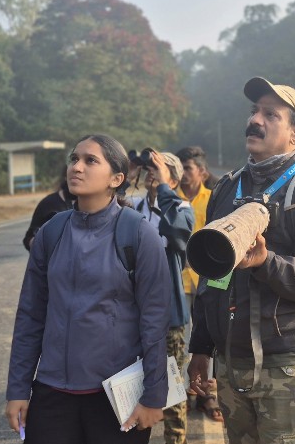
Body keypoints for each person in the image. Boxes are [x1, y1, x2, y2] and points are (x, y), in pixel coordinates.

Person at [188, 77, 295, 444]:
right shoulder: (227, 187)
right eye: (254, 112)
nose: (255, 120)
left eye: (270, 114)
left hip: (289, 366)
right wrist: (201, 346)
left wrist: (266, 262)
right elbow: (213, 276)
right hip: (231, 363)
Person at [6, 134, 171, 444]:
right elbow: (30, 315)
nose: (76, 167)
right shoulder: (51, 232)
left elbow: (155, 321)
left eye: (90, 160)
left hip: (115, 395)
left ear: (116, 179)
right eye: (74, 158)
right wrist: (18, 389)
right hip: (52, 392)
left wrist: (153, 395)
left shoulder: (137, 234)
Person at [129, 149, 195, 444]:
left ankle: (175, 440)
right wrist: (128, 172)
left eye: (159, 169)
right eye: (150, 169)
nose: (152, 173)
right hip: (132, 313)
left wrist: (166, 188)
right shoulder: (133, 207)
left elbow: (178, 232)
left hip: (168, 315)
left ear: (173, 178)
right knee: (131, 384)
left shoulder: (182, 208)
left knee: (171, 384)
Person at [174, 145, 222, 423]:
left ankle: (206, 395)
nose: (183, 174)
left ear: (202, 172)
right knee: (179, 338)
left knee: (207, 336)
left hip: (207, 278)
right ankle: (179, 393)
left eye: (188, 168)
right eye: (180, 168)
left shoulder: (214, 198)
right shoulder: (171, 199)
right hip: (178, 279)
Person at [21, 165, 75, 251]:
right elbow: (29, 238)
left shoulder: (96, 206)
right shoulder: (48, 203)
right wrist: (44, 244)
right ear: (65, 176)